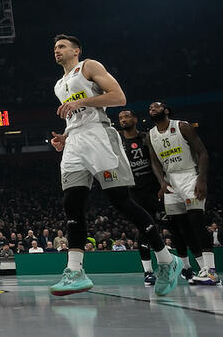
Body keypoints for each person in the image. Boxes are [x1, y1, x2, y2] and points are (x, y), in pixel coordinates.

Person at [47, 35, 182, 296]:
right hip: (75, 141)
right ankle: (75, 271)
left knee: (121, 200)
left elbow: (118, 97)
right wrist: (63, 138)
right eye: (55, 47)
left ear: (76, 51)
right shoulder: (58, 85)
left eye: (62, 46)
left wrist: (81, 101)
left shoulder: (88, 66)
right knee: (71, 203)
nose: (57, 50)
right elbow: (76, 117)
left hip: (100, 136)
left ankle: (166, 259)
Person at [147, 101, 217, 285]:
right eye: (150, 108)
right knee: (180, 228)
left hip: (189, 176)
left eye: (156, 107)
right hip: (170, 181)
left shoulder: (181, 126)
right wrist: (162, 182)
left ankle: (211, 270)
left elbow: (202, 153)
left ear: (166, 110)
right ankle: (202, 269)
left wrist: (201, 179)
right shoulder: (151, 135)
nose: (152, 109)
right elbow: (154, 162)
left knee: (196, 221)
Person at [118, 109, 170, 286]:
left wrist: (163, 182)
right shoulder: (118, 140)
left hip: (154, 189)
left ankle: (180, 265)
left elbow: (156, 161)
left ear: (135, 119)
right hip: (134, 191)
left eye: (126, 117)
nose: (123, 120)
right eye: (121, 118)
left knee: (168, 225)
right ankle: (148, 272)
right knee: (143, 230)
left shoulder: (146, 137)